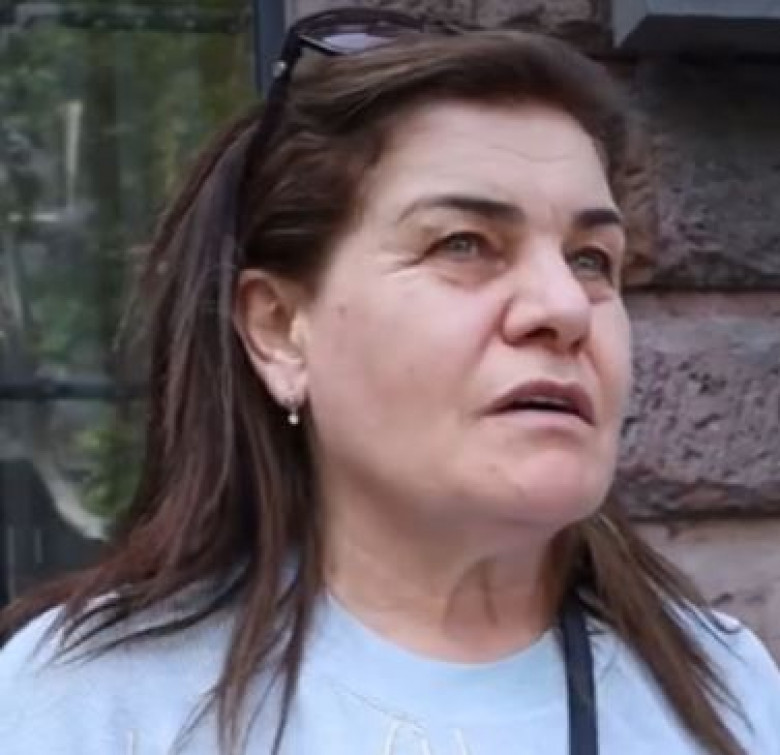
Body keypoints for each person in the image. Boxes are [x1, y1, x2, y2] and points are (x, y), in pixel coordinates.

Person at [0, 8, 778, 755]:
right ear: (279, 328)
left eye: (591, 259)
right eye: (464, 243)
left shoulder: (728, 691)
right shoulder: (88, 708)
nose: (566, 307)